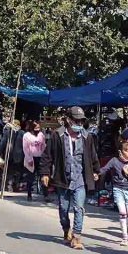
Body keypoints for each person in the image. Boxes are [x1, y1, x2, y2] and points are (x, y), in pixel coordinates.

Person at [40, 106, 100, 250]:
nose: (79, 124)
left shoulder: (87, 136)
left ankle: (76, 236)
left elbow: (92, 155)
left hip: (80, 178)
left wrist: (95, 170)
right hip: (63, 178)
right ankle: (66, 229)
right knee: (63, 208)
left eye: (81, 121)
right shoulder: (57, 135)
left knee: (79, 208)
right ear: (68, 120)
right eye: (76, 121)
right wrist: (45, 173)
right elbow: (48, 155)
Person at [98, 140, 128, 247]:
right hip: (118, 190)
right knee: (122, 212)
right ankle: (125, 237)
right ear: (120, 152)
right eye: (126, 151)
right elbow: (104, 168)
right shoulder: (114, 161)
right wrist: (96, 174)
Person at [23, 120, 48, 202]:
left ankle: (46, 195)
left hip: (40, 158)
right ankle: (29, 195)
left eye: (38, 127)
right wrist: (29, 159)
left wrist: (45, 157)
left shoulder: (41, 135)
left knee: (43, 177)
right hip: (31, 158)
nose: (37, 129)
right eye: (36, 128)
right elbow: (25, 148)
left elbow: (44, 145)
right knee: (30, 177)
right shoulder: (26, 136)